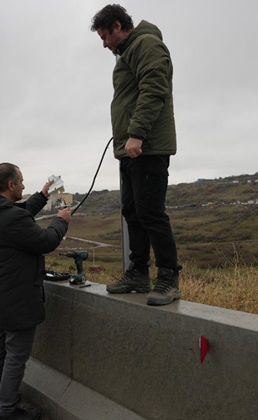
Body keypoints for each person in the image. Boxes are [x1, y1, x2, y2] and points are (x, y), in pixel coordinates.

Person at [90, 4, 182, 306]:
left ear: (118, 26)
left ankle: (168, 278)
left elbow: (154, 89)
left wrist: (137, 133)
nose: (104, 44)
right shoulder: (127, 53)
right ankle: (138, 273)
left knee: (151, 212)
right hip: (129, 150)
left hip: (148, 146)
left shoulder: (147, 44)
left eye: (105, 36)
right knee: (132, 211)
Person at [0, 163, 71, 420]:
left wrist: (44, 193)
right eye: (22, 181)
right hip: (18, 298)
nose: (24, 186)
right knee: (16, 355)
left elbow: (21, 212)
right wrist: (61, 222)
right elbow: (45, 242)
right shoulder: (10, 218)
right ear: (12, 185)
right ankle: (7, 410)